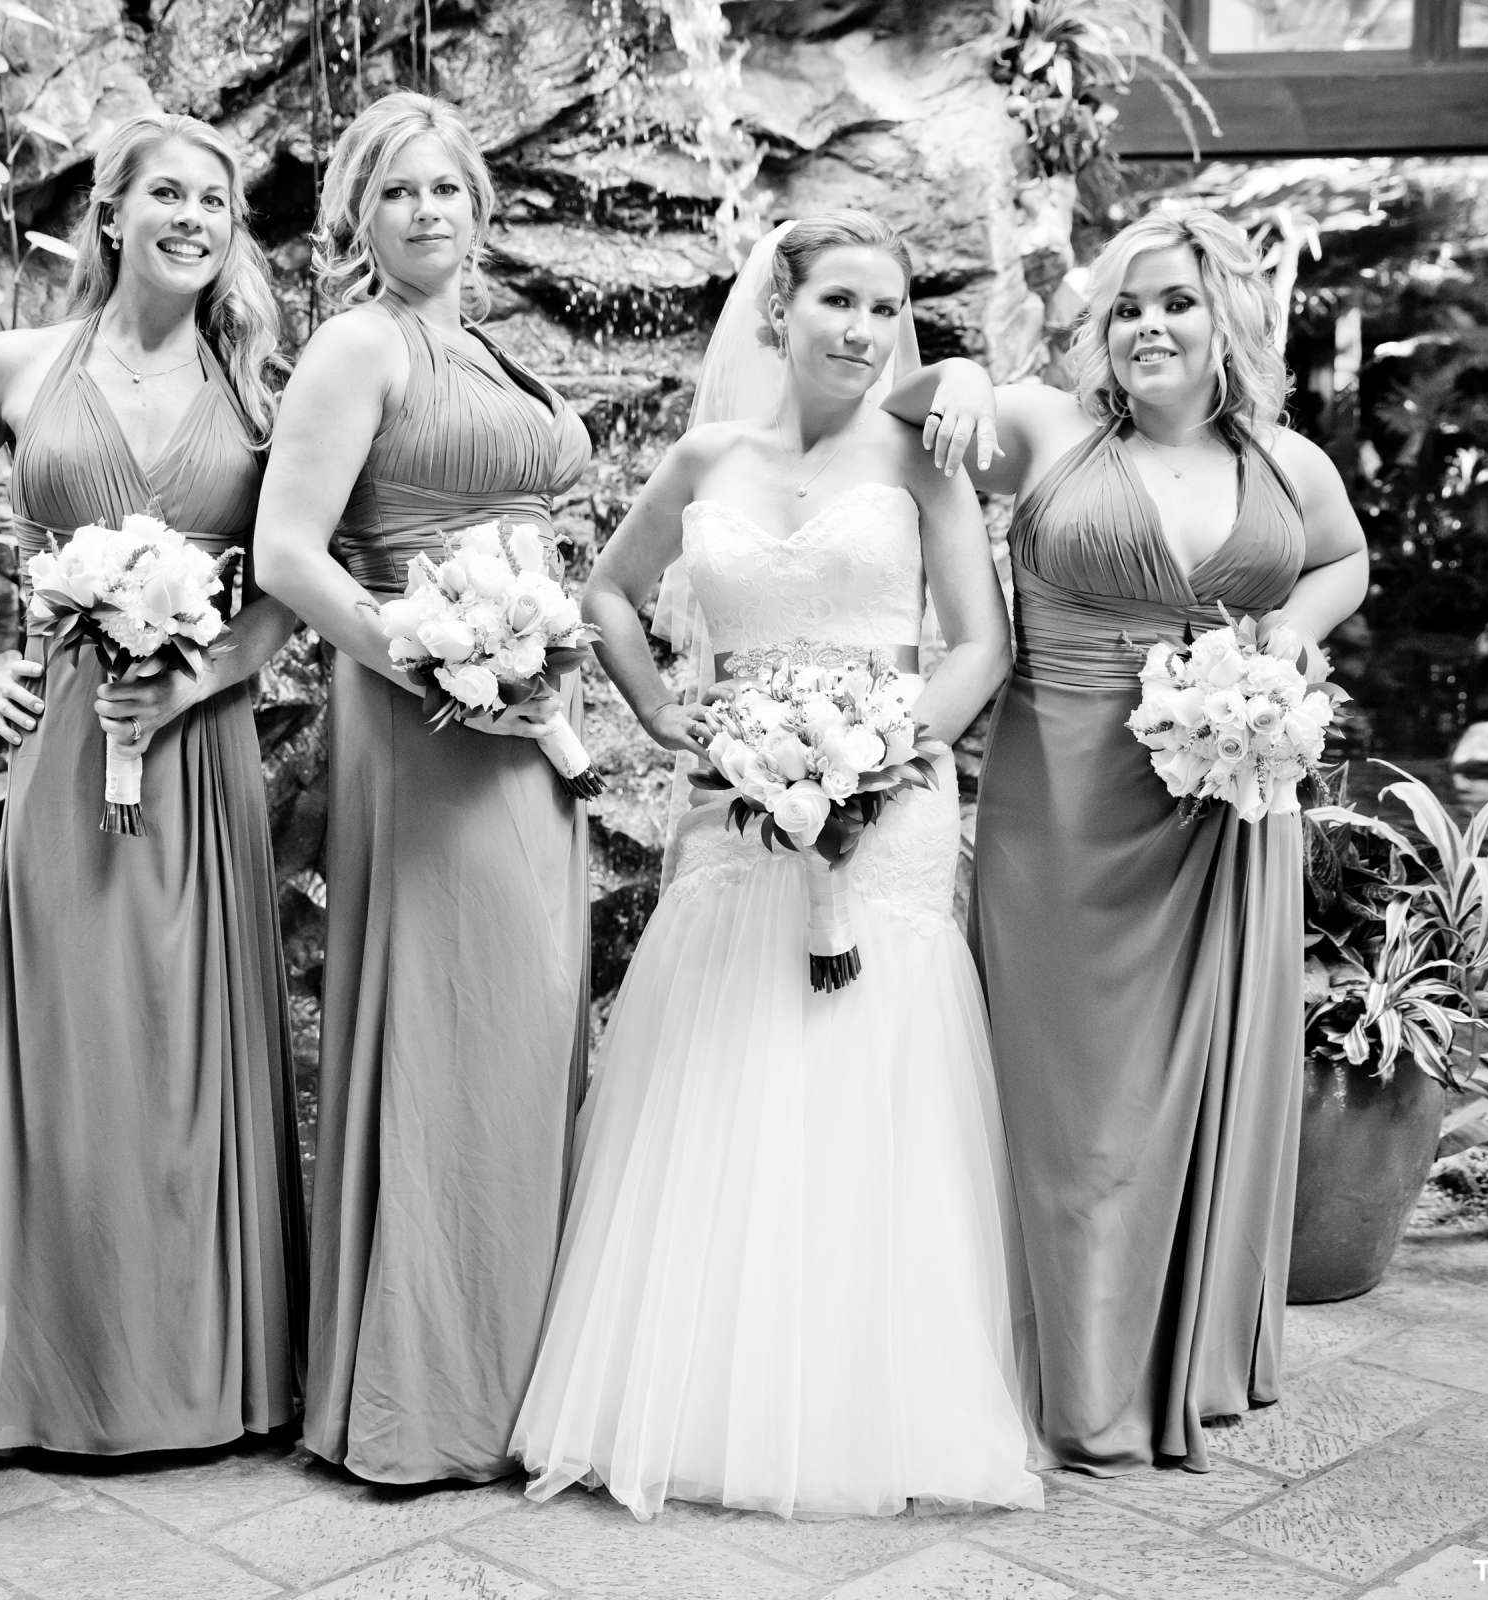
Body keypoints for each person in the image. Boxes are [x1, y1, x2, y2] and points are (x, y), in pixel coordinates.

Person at [511, 210, 1041, 1521]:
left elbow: (981, 642)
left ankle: (867, 1409)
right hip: (736, 800)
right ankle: (707, 1400)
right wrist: (663, 713)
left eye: (886, 308)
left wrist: (884, 757)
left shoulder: (919, 456)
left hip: (888, 800)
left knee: (867, 1071)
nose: (864, 330)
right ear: (777, 310)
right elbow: (608, 595)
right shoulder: (710, 456)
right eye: (838, 301)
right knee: (731, 1063)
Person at [889, 210, 1369, 1475]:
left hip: (1226, 821)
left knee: (1199, 1086)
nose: (1149, 326)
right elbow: (903, 401)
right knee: (1068, 1097)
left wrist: (1296, 632)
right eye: (1128, 307)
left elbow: (1344, 560)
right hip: (1064, 808)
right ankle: (1067, 1371)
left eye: (1177, 303)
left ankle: (1178, 1359)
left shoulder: (1288, 465)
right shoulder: (1047, 426)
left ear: (1228, 320)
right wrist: (952, 380)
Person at [0, 113, 307, 1454]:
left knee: (196, 1045)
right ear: (110, 213)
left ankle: (209, 1379)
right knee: (84, 1047)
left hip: (203, 748)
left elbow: (294, 582)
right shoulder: (17, 366)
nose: (193, 218)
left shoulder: (261, 387)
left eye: (215, 202)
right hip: (69, 751)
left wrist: (198, 677)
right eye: (166, 193)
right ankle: (77, 1383)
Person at [254, 91, 593, 1485]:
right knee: (458, 1024)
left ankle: (525, 1378)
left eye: (445, 186)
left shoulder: (488, 347)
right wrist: (430, 659)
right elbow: (288, 552)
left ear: (480, 204)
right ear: (358, 216)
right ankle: (433, 1396)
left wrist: (539, 660)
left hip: (527, 716)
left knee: (529, 1027)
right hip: (428, 722)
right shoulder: (358, 344)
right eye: (395, 191)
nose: (425, 210)